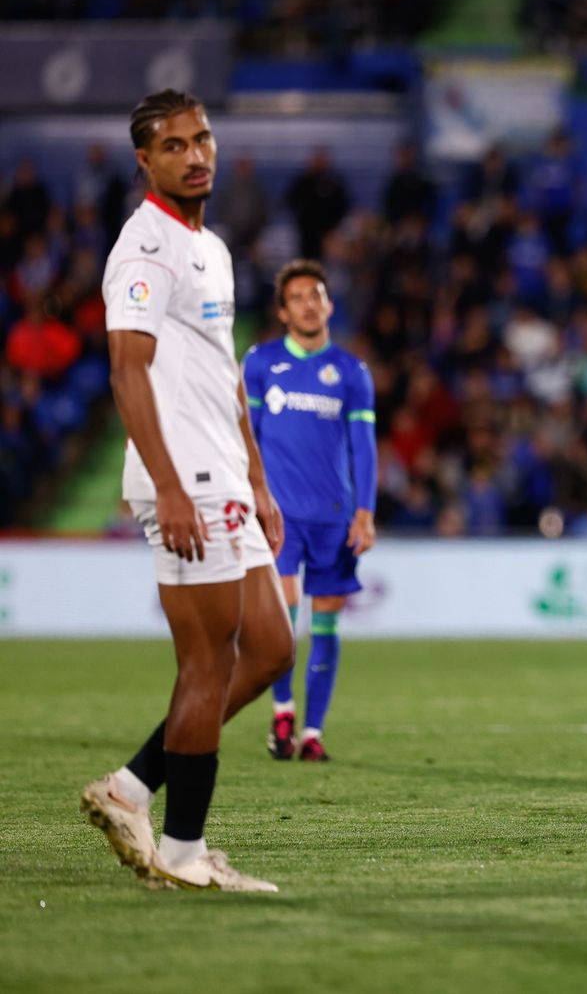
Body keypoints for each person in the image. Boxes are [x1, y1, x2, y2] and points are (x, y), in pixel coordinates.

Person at [79, 89, 294, 892]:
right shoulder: (144, 249)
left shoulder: (212, 246)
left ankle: (131, 786)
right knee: (206, 663)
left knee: (270, 649)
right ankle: (181, 853)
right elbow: (126, 369)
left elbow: (220, 370)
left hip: (225, 475)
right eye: (174, 145)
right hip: (182, 479)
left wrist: (260, 476)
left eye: (202, 138)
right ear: (146, 160)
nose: (195, 154)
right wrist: (168, 485)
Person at [243, 259, 377, 762]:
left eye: (316, 294)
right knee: (282, 616)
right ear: (282, 311)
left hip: (334, 516)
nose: (308, 303)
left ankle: (314, 732)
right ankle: (282, 709)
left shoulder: (351, 372)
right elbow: (247, 438)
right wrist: (249, 495)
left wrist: (365, 511)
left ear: (329, 304)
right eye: (297, 297)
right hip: (280, 517)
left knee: (326, 624)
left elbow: (364, 447)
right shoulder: (259, 363)